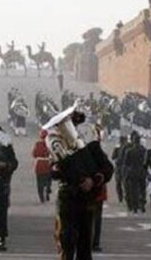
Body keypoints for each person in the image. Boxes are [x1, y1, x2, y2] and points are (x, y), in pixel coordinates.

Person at [46, 106, 113, 260]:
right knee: (66, 242)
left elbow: (108, 168)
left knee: (84, 245)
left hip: (86, 199)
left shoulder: (91, 145)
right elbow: (54, 173)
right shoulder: (57, 144)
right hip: (67, 197)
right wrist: (59, 166)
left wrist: (93, 180)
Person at [123, 131, 146, 213]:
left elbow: (126, 163)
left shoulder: (129, 151)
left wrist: (125, 174)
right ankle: (142, 205)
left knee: (134, 190)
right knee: (142, 190)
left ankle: (135, 207)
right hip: (142, 171)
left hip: (132, 172)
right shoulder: (143, 150)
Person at [32, 130, 52, 203]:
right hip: (48, 163)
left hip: (39, 164)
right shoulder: (50, 144)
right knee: (48, 179)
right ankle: (48, 189)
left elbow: (34, 154)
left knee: (39, 182)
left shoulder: (37, 144)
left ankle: (41, 198)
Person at [110, 135, 128, 203]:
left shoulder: (117, 148)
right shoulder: (127, 148)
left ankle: (121, 198)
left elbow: (113, 157)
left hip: (119, 167)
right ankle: (125, 197)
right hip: (124, 167)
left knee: (119, 183)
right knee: (124, 183)